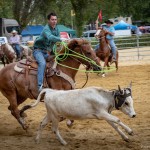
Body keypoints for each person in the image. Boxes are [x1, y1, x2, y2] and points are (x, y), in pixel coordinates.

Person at [33, 12, 66, 92]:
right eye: (52, 19)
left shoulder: (57, 29)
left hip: (46, 52)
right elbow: (50, 37)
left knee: (59, 61)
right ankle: (39, 86)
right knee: (42, 63)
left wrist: (63, 45)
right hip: (38, 51)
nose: (54, 21)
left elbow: (57, 42)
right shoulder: (46, 29)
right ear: (48, 20)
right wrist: (60, 39)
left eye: (55, 19)